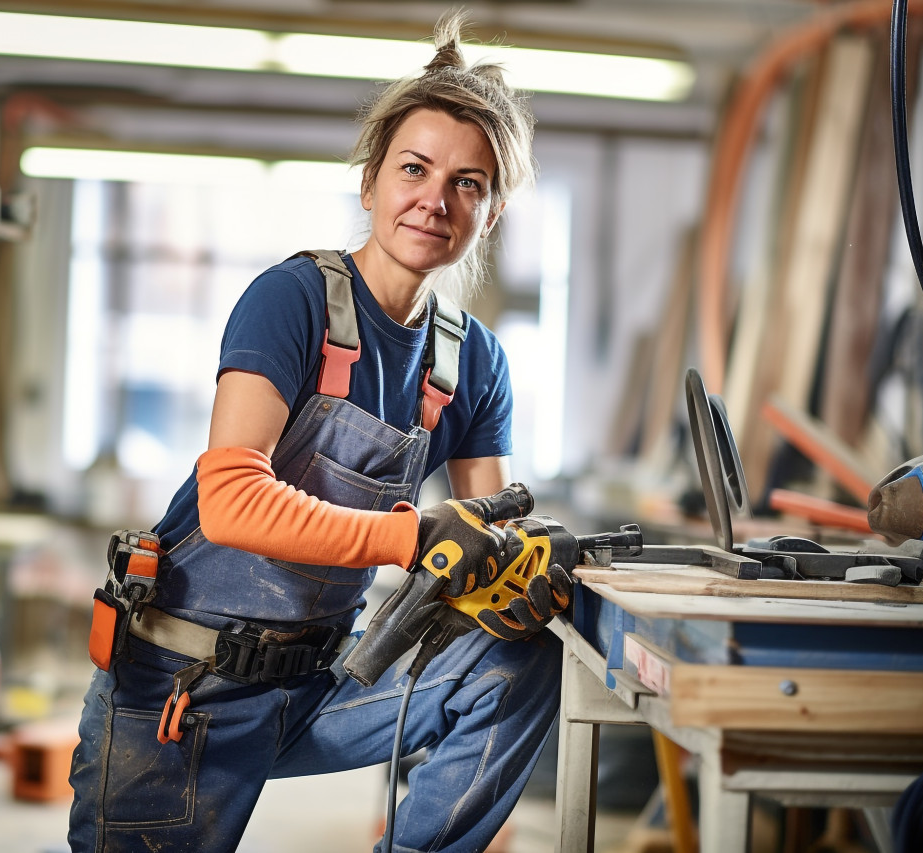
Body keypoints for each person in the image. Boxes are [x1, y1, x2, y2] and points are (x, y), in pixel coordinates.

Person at [69, 12, 569, 853]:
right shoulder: (294, 300)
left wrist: (529, 568)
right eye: (414, 169)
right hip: (183, 687)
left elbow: (487, 546)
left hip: (319, 687)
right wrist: (410, 537)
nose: (435, 199)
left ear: (493, 211)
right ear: (370, 181)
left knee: (515, 662)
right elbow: (231, 503)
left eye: (468, 183)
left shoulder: (475, 362)